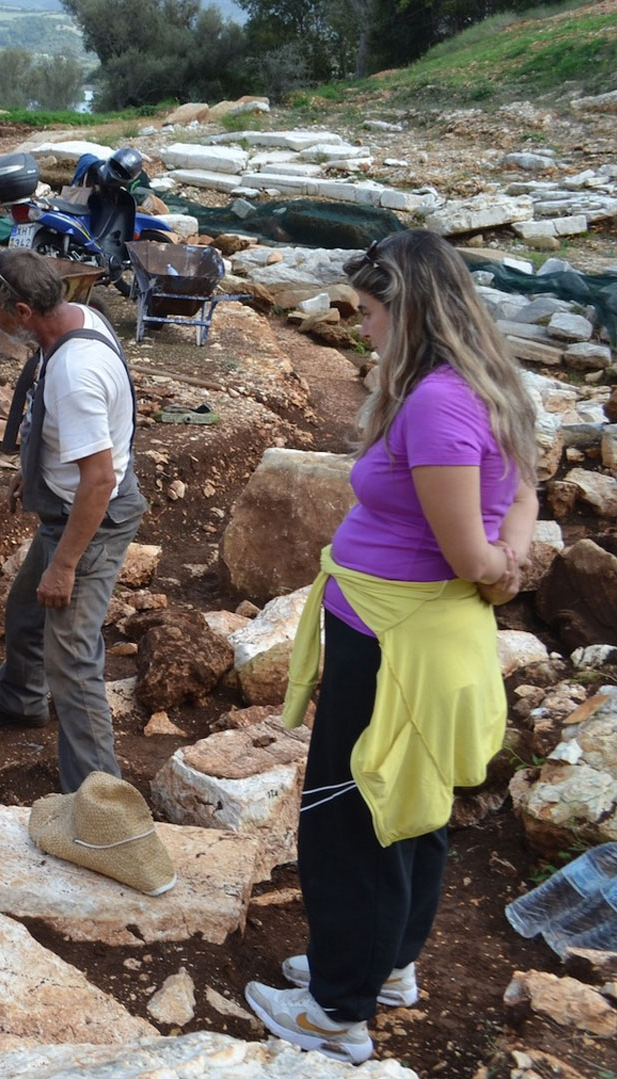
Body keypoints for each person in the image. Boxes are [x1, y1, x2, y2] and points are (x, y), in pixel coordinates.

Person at [243, 229, 537, 1064]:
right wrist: (508, 554)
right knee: (412, 801)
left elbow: (468, 554)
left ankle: (338, 1009)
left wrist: (501, 569)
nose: (363, 326)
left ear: (411, 312)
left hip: (394, 640)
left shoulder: (438, 402)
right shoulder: (488, 384)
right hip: (413, 633)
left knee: (356, 811)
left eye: (371, 311)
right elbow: (523, 490)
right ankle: (386, 964)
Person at [0, 248, 146, 794]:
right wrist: (34, 467)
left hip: (90, 520)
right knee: (24, 609)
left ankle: (98, 798)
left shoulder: (75, 374)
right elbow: (69, 440)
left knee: (72, 660)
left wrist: (64, 566)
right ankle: (20, 701)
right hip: (68, 505)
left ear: (22, 311)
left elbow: (99, 481)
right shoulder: (77, 319)